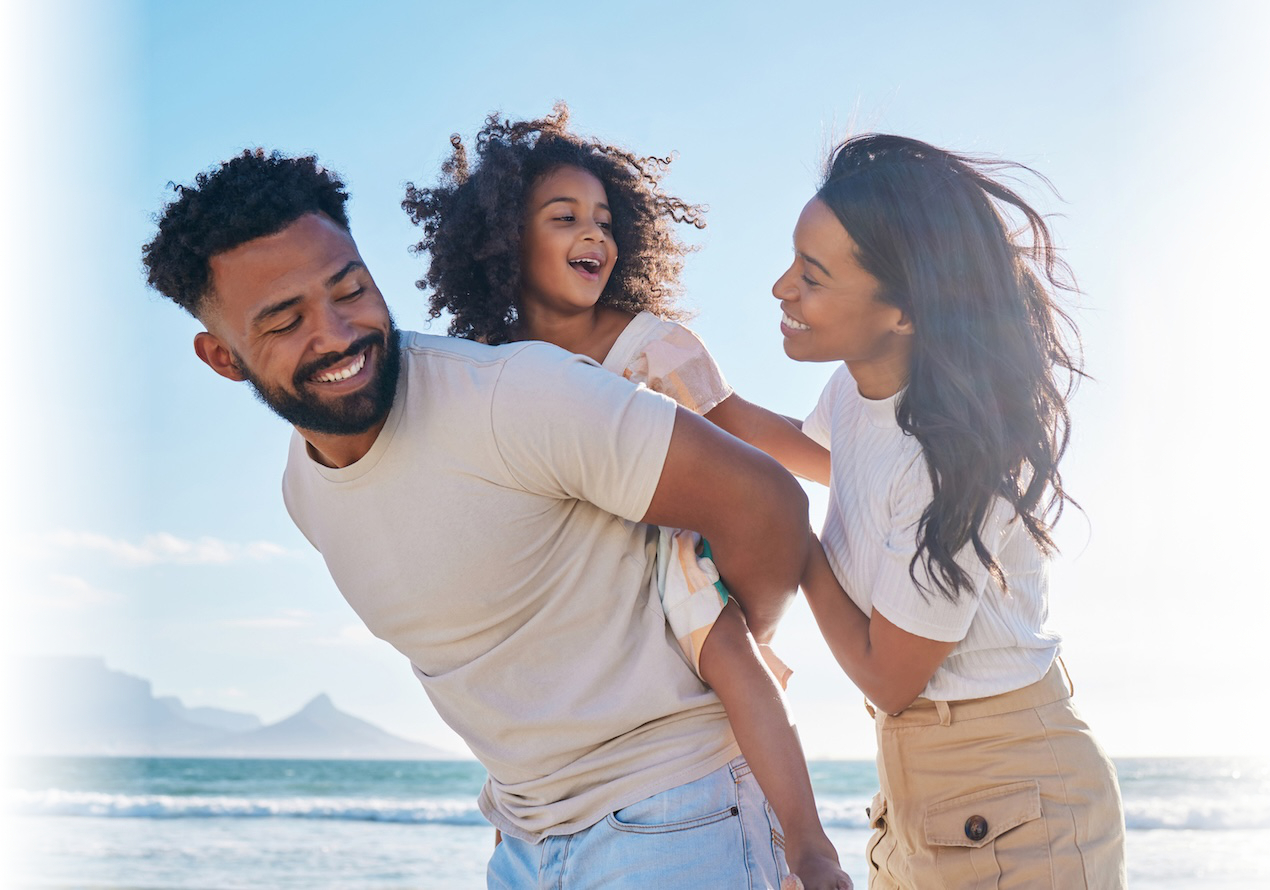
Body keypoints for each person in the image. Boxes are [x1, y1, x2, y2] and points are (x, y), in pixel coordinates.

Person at [142, 148, 815, 889]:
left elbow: (768, 504)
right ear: (222, 357)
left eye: (350, 290)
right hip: (523, 842)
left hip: (673, 817)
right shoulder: (304, 490)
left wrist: (719, 641)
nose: (335, 334)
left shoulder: (515, 397)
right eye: (283, 321)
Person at [402, 105, 848, 890]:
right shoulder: (492, 371)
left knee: (733, 660)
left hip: (663, 555)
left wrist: (858, 467)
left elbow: (744, 428)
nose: (593, 235)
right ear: (507, 239)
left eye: (604, 220)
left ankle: (811, 849)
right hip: (571, 588)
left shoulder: (649, 345)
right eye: (564, 216)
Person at [775, 134, 1126, 888]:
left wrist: (792, 545)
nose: (781, 289)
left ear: (902, 311)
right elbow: (825, 462)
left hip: (1015, 806)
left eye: (811, 277)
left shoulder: (953, 462)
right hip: (919, 793)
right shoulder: (858, 391)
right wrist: (684, 390)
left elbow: (888, 677)